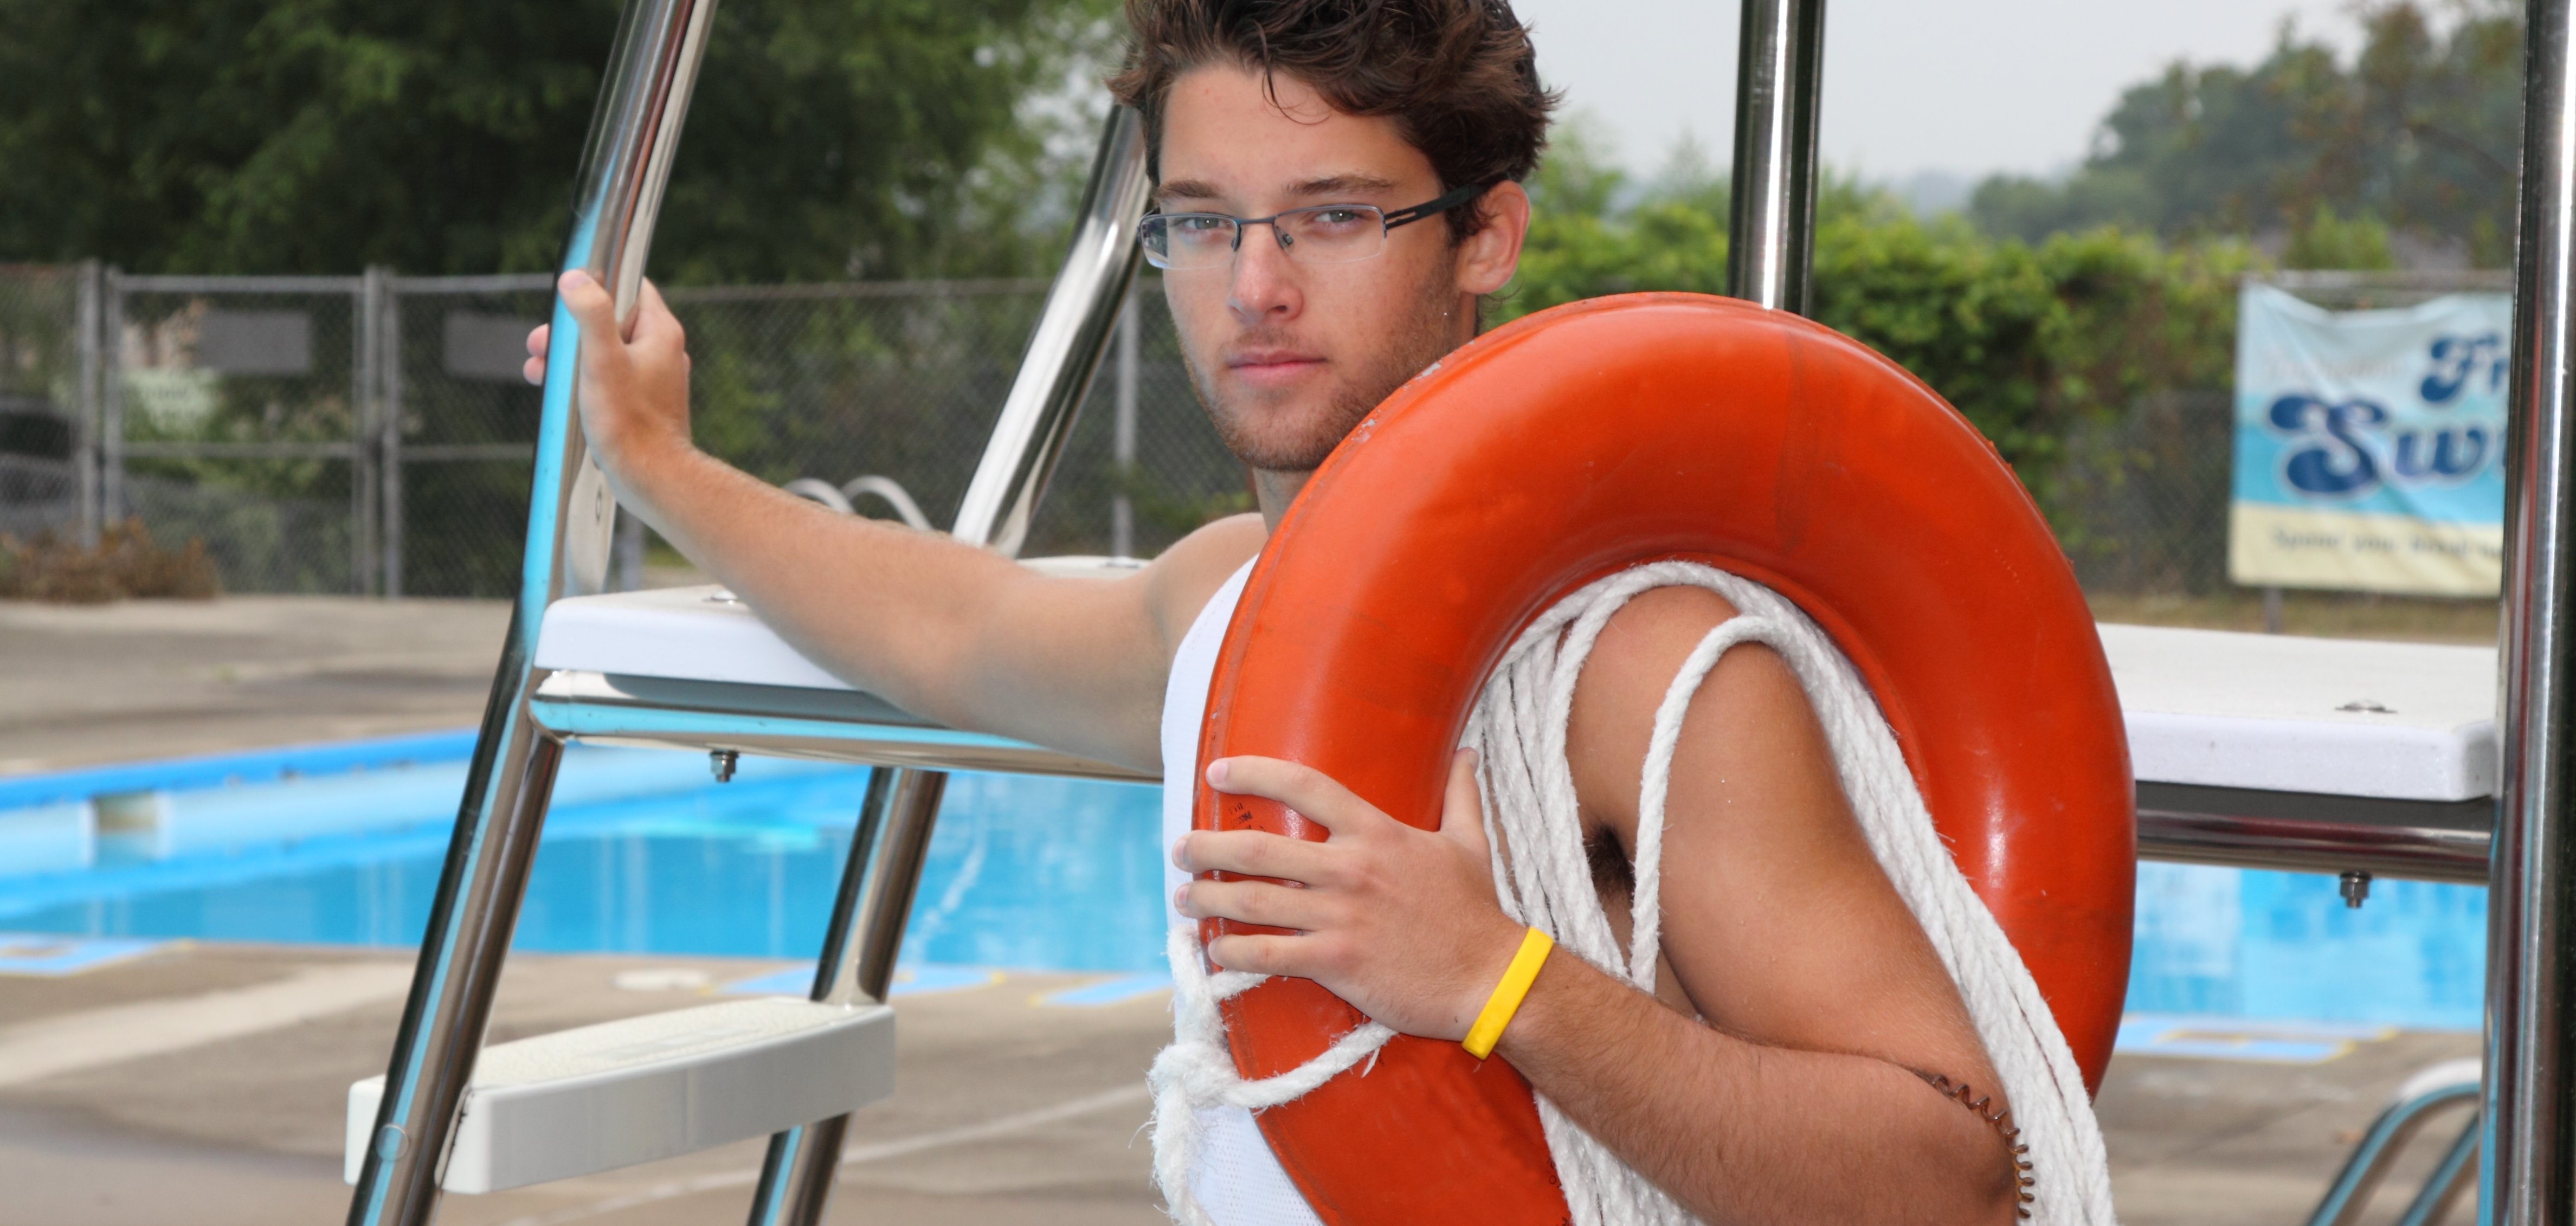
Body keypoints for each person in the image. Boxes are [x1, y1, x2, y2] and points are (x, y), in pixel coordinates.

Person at [526, 2, 2029, 1221]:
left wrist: (1500, 978)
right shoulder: (1221, 606)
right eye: (1201, 221)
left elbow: (1949, 1175)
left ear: (1486, 235)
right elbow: (956, 627)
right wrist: (656, 461)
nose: (1253, 287)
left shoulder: (1633, 665)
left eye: (1330, 217)